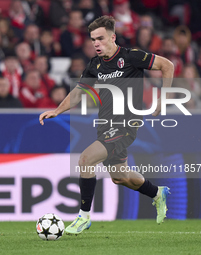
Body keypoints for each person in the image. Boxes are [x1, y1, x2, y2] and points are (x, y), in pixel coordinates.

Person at [39, 16, 174, 234]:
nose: (96, 44)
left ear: (113, 37)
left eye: (100, 39)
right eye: (93, 39)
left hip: (125, 125)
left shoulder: (132, 57)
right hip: (105, 124)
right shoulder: (95, 64)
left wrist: (164, 97)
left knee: (85, 159)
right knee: (119, 177)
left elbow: (167, 65)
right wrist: (57, 110)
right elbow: (79, 93)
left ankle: (83, 216)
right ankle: (158, 193)